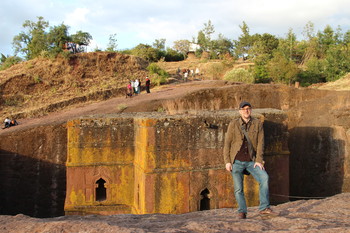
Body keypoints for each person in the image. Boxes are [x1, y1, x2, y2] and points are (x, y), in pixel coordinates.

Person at [223, 101, 274, 219]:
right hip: (236, 161)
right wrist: (227, 161)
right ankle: (242, 211)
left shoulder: (257, 124)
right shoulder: (233, 124)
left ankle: (264, 207)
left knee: (264, 178)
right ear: (240, 111)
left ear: (251, 110)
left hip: (252, 160)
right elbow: (227, 144)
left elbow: (261, 143)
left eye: (248, 108)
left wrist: (259, 160)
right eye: (244, 109)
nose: (246, 110)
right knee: (238, 189)